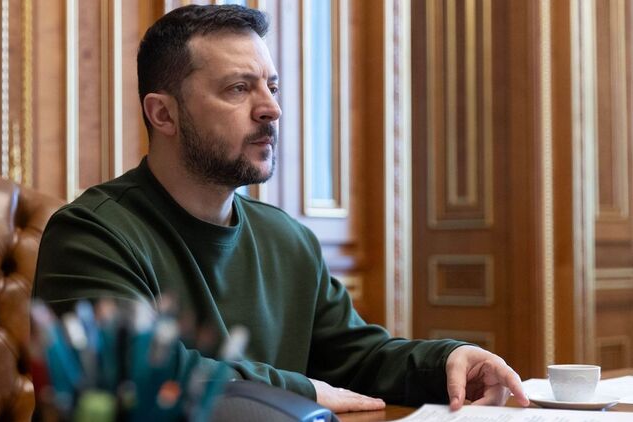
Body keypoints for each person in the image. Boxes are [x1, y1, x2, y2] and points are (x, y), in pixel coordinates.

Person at [33, 4, 530, 413]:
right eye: (238, 88)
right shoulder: (91, 234)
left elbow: (357, 357)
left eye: (271, 87)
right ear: (163, 113)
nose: (271, 108)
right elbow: (137, 377)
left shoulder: (287, 238)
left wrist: (448, 362)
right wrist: (302, 390)